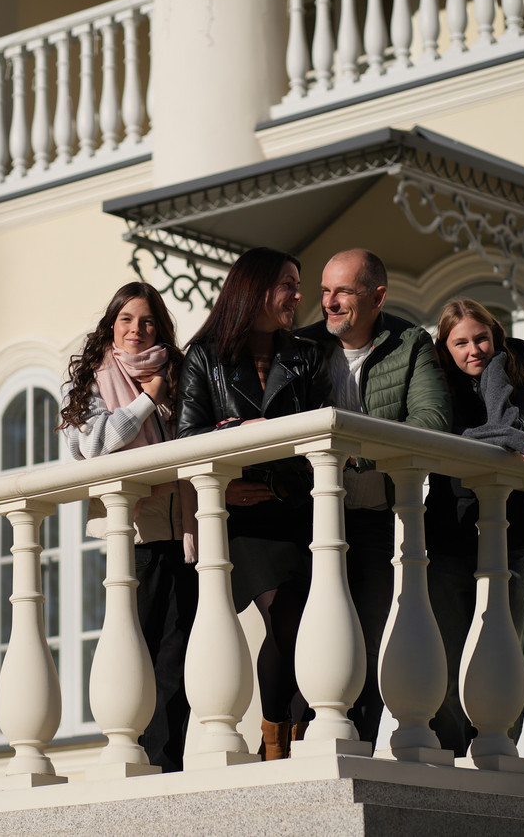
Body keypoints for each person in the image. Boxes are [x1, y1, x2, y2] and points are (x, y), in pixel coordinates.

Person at [176, 247, 331, 760]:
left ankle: (291, 732)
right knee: (286, 615)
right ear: (256, 288)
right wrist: (232, 457)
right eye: (288, 284)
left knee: (310, 621)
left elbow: (319, 430)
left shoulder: (306, 355)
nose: (298, 296)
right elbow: (187, 438)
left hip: (298, 508)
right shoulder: (205, 357)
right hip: (243, 517)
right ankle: (277, 734)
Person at [293, 248, 451, 746]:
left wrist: (355, 455)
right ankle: (291, 746)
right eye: (324, 291)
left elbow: (432, 421)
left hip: (378, 516)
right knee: (301, 633)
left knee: (371, 635)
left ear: (377, 297)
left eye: (343, 291)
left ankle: (357, 745)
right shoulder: (302, 345)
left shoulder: (410, 342)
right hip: (308, 515)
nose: (329, 302)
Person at [58, 281, 198, 772]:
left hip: (185, 529)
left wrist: (163, 388)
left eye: (147, 321)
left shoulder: (177, 373)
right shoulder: (90, 377)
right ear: (111, 325)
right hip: (134, 533)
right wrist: (148, 399)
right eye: (126, 319)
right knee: (136, 647)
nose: (136, 330)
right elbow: (97, 443)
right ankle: (134, 757)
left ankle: (168, 763)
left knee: (176, 655)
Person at [424, 298, 524, 756]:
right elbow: (446, 439)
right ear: (445, 348)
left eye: (481, 339)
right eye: (460, 343)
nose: (473, 350)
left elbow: (503, 425)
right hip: (450, 530)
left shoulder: (518, 381)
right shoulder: (435, 384)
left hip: (510, 530)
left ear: (496, 337)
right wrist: (516, 440)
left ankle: (500, 750)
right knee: (449, 650)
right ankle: (453, 754)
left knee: (504, 644)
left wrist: (498, 369)